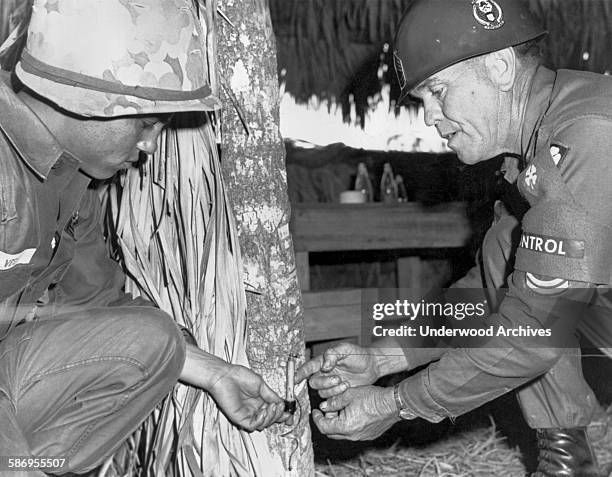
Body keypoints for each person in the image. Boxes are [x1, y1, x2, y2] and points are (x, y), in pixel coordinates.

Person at [297, 0, 612, 475]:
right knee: (505, 250)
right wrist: (385, 357)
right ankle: (567, 458)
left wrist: (395, 405)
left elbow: (533, 332)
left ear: (500, 67)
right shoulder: (535, 151)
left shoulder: (586, 134)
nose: (429, 117)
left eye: (438, 91)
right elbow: (496, 291)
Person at [0, 1, 288, 474]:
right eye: (146, 123)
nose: (151, 146)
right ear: (87, 99)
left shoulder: (68, 182)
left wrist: (214, 373)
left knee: (153, 340)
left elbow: (99, 307)